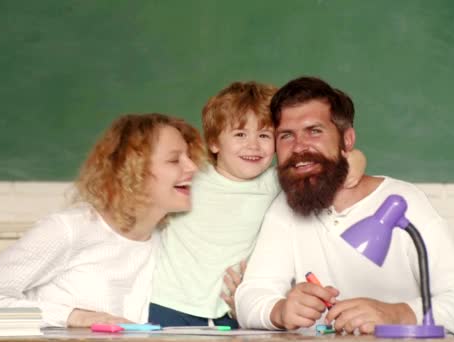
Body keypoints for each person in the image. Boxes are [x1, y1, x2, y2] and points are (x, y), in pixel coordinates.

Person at [235, 76, 454, 340]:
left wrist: (397, 314)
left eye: (314, 131)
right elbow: (251, 296)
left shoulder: (402, 201)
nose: (299, 146)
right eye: (287, 135)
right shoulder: (285, 209)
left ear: (347, 141)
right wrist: (279, 310)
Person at [150, 81, 366, 328]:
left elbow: (349, 158)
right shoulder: (192, 175)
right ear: (214, 142)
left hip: (230, 311)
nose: (253, 145)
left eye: (264, 135)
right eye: (240, 134)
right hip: (168, 303)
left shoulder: (274, 182)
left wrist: (355, 162)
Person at [0, 113, 205, 328]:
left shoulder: (167, 239)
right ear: (133, 169)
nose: (193, 167)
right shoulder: (69, 229)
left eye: (189, 157)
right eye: (175, 160)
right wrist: (73, 317)